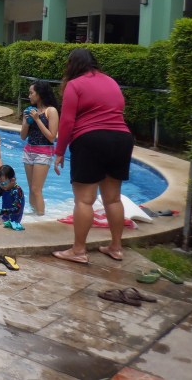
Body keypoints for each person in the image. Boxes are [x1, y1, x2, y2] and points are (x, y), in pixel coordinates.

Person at [52, 49, 134, 264]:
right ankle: (116, 247)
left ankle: (78, 250)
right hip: (122, 138)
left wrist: (59, 151)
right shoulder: (110, 81)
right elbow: (119, 109)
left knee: (84, 200)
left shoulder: (75, 84)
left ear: (72, 65)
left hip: (91, 140)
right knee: (113, 198)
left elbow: (67, 121)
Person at [20, 80, 60, 215]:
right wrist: (26, 122)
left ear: (40, 94)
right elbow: (22, 137)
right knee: (31, 189)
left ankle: (41, 218)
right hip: (29, 151)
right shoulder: (30, 111)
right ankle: (33, 215)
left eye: (31, 93)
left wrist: (37, 120)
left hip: (43, 153)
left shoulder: (51, 111)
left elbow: (51, 137)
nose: (29, 95)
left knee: (37, 189)